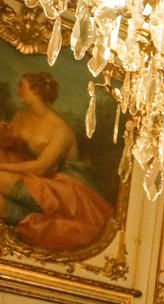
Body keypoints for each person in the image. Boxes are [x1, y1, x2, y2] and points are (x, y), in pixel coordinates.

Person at [0, 72, 114, 251]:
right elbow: (12, 143)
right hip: (34, 176)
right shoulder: (21, 115)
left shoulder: (61, 129)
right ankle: (18, 218)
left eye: (21, 86)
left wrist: (2, 166)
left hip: (63, 186)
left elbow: (41, 167)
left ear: (36, 90)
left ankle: (26, 222)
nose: (18, 90)